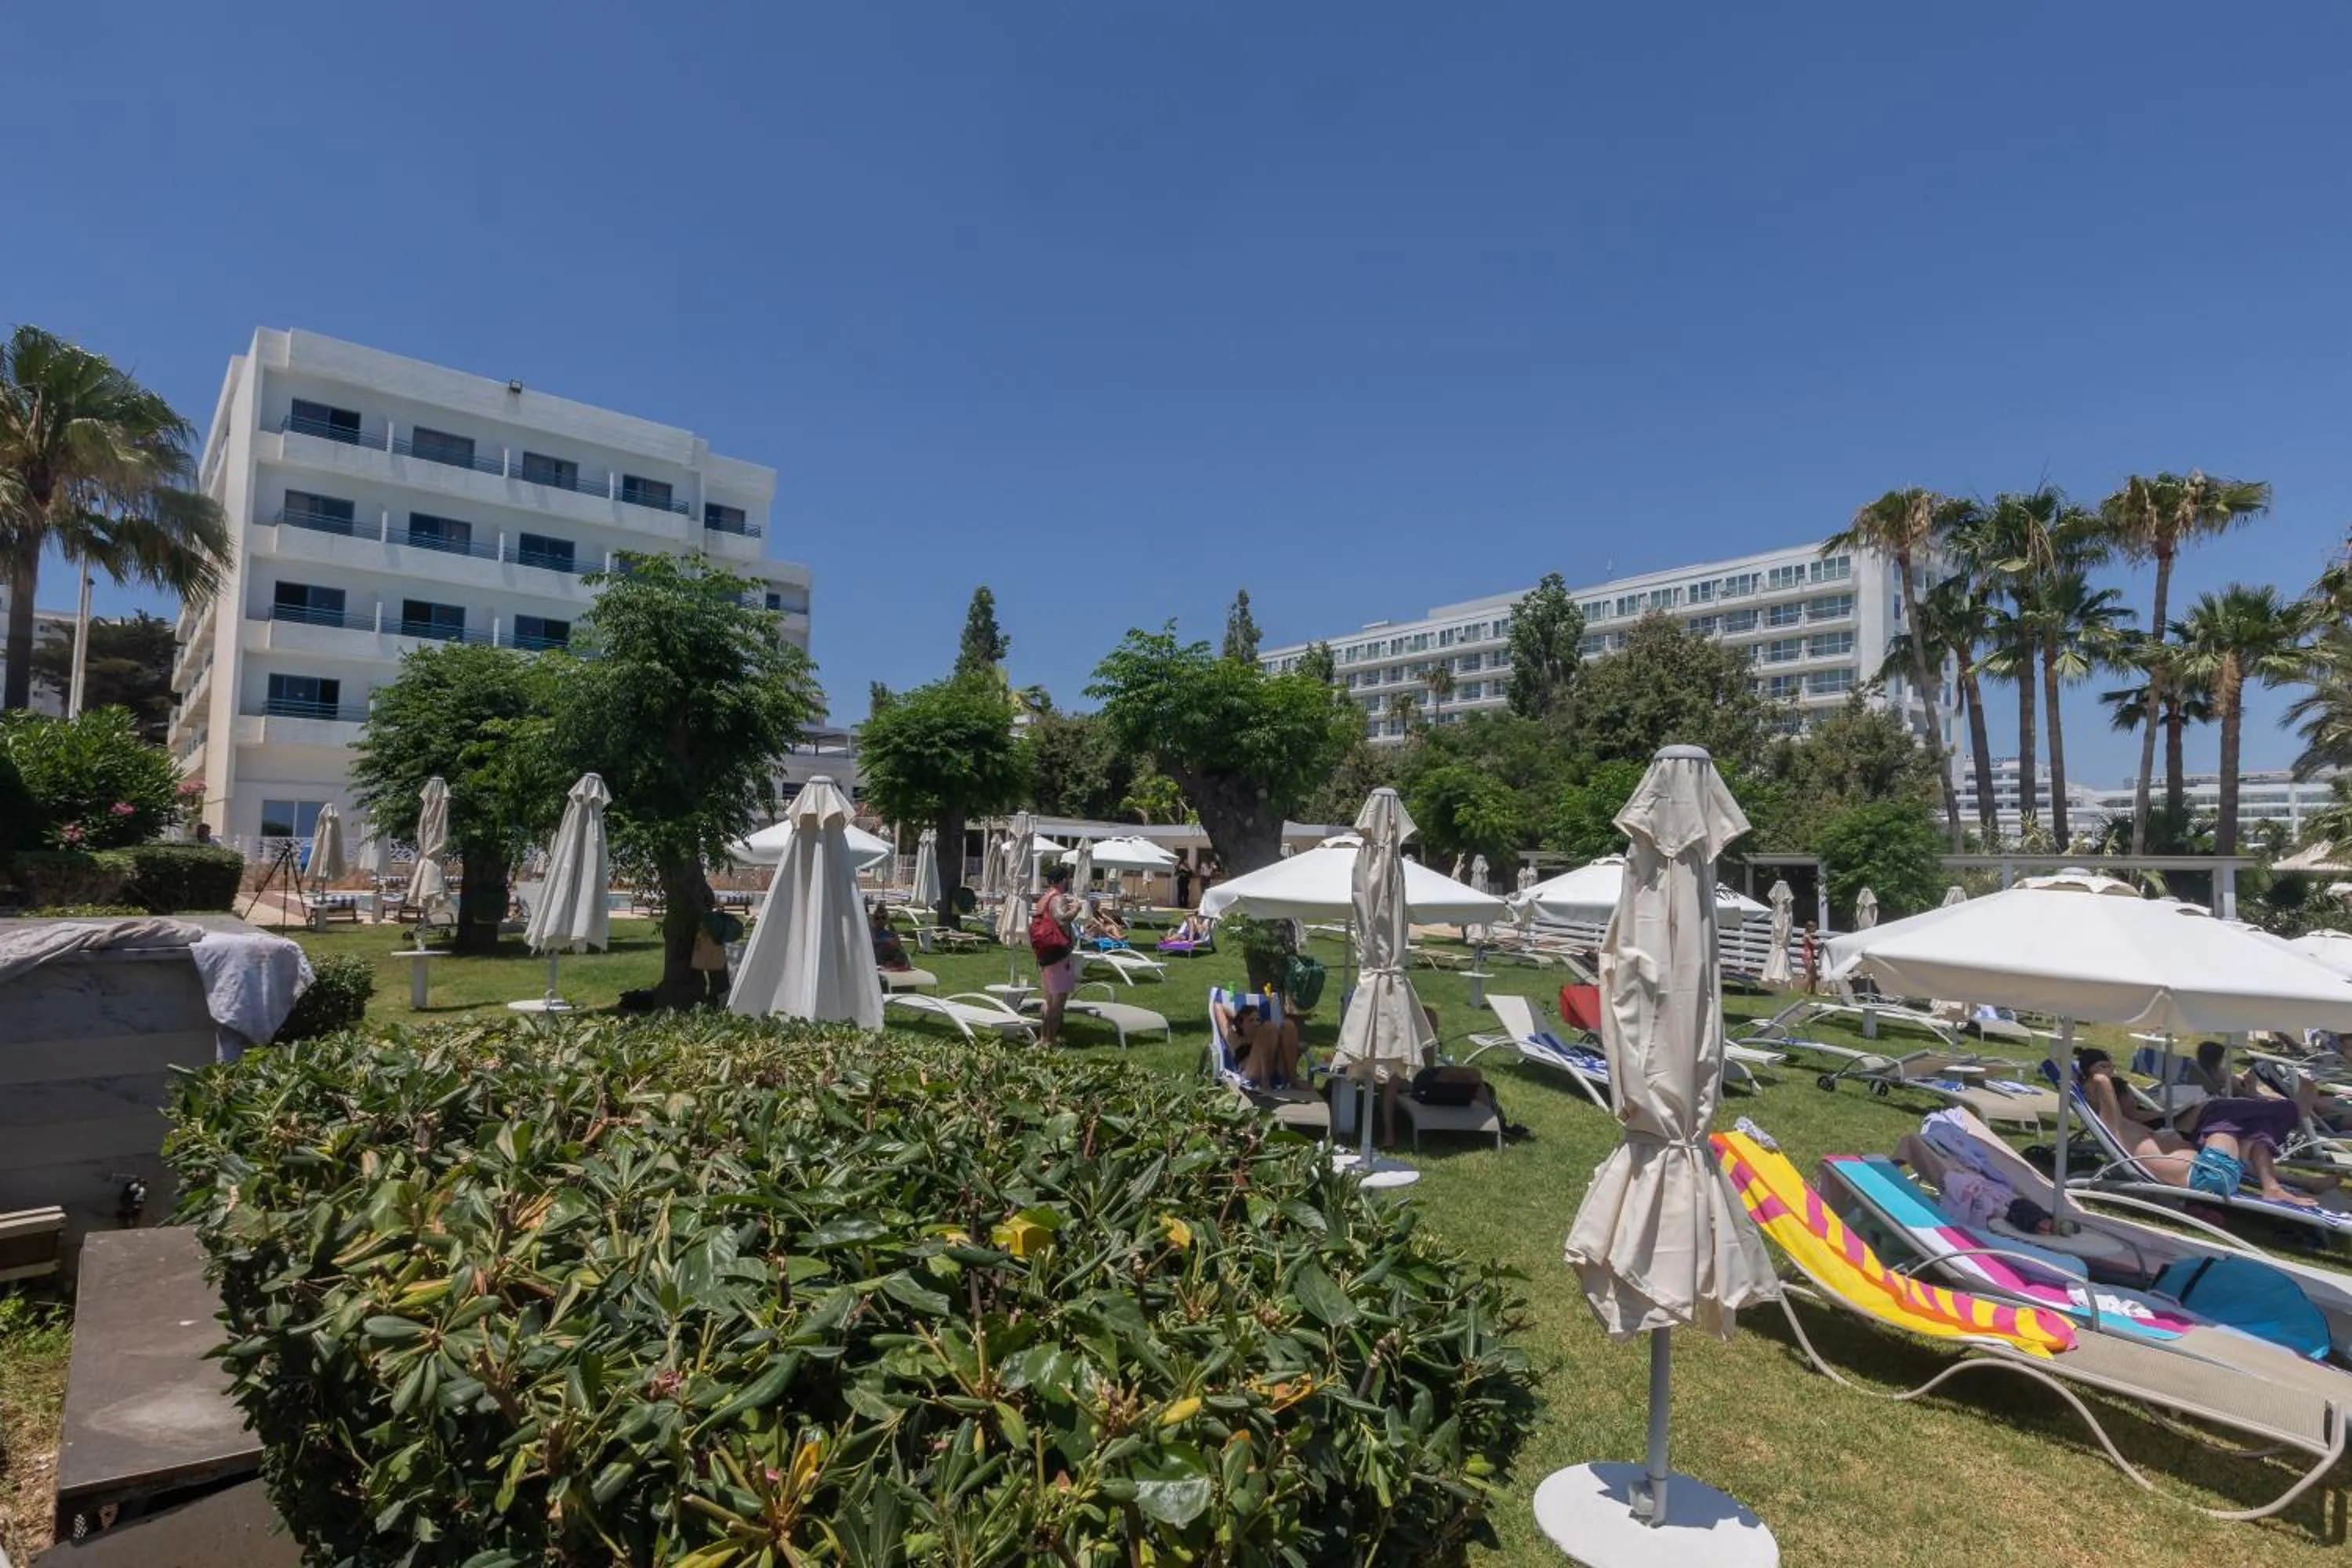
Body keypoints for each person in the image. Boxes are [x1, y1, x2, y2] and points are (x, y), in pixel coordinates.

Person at [2075, 1048, 2324, 1207]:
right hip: (2210, 1173)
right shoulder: (2112, 1123)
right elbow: (2102, 1082)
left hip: (2213, 1172)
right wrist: (2093, 1078)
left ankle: (2273, 1187)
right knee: (2226, 1117)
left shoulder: (2120, 1124)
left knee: (2248, 1129)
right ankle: (2292, 1110)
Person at [1034, 863, 1084, 1047]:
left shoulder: (1044, 898)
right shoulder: (1057, 898)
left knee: (1047, 999)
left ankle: (1043, 1038)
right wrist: (1077, 909)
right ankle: (1050, 1040)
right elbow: (1062, 918)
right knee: (1058, 1000)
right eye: (1068, 878)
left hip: (1044, 953)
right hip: (1058, 954)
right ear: (1064, 880)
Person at [1214, 993, 1301, 1089]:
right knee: (1269, 1027)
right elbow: (1218, 1007)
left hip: (1276, 1069)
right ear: (1241, 1024)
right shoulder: (1235, 1039)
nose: (1256, 1023)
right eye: (1251, 1020)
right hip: (1251, 1074)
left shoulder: (1268, 1035)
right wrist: (1238, 1019)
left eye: (1258, 1020)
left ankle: (1293, 1080)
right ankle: (1265, 1079)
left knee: (1288, 1025)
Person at [869, 903, 911, 971]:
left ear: (887, 919)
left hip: (890, 955)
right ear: (874, 920)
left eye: (883, 917)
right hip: (878, 955)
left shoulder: (890, 932)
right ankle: (889, 964)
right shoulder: (872, 931)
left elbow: (899, 945)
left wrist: (894, 943)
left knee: (899, 950)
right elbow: (873, 942)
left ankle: (897, 963)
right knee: (884, 945)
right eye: (877, 918)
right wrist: (886, 941)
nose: (880, 920)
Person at [1799, 920, 1820, 995]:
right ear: (1810, 928)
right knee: (1809, 974)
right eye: (1814, 927)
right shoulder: (1807, 936)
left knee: (1814, 974)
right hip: (1808, 955)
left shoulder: (1808, 935)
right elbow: (1813, 944)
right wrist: (1821, 944)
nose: (1816, 929)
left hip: (1810, 955)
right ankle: (1804, 991)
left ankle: (1813, 991)